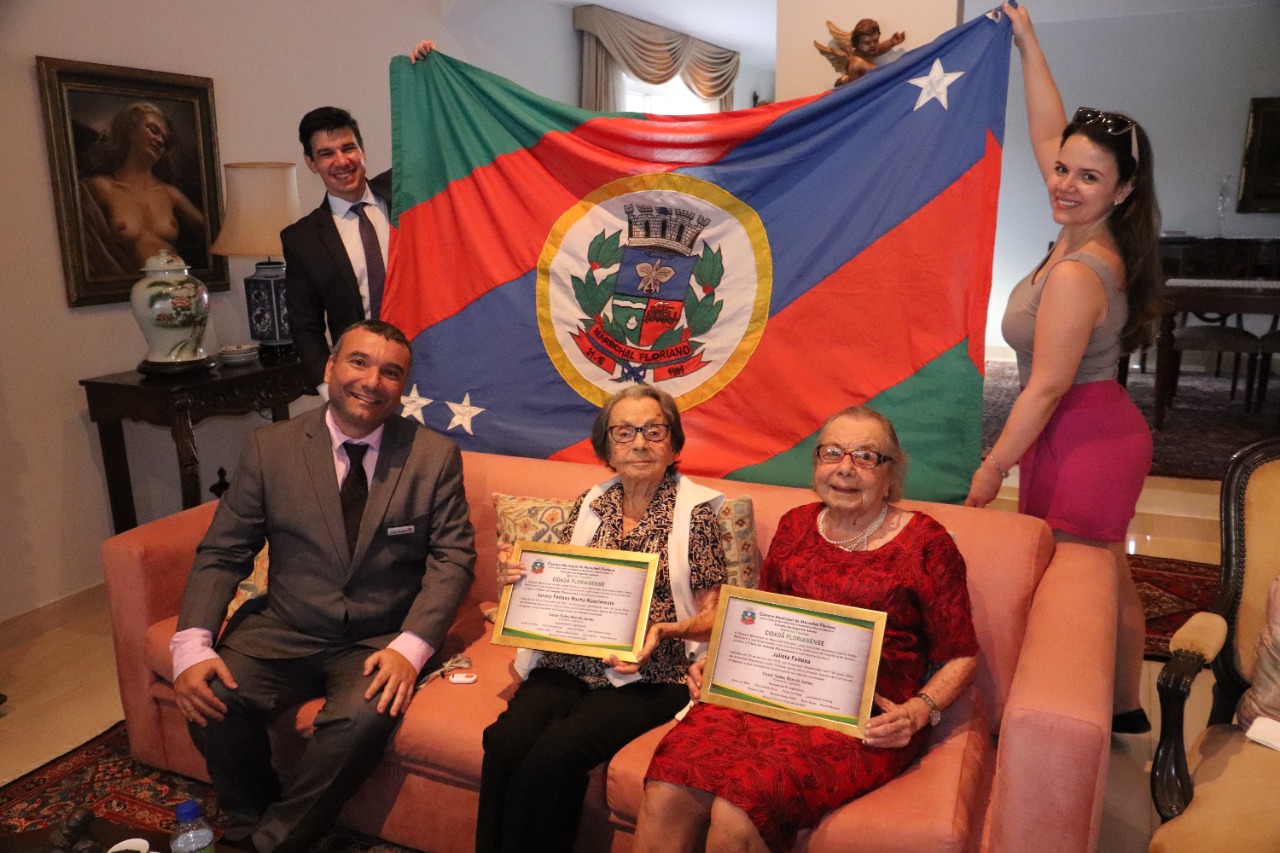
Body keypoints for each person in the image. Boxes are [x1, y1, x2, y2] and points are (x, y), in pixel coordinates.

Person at [170, 319, 476, 853]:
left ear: (402, 385)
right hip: (285, 626)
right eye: (359, 362)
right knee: (211, 693)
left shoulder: (432, 457)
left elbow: (453, 559)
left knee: (362, 720)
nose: (372, 381)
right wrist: (191, 643)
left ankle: (268, 844)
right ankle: (249, 818)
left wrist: (411, 648)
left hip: (378, 638)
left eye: (390, 372)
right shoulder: (270, 448)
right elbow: (224, 551)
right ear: (331, 367)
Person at [634, 406, 979, 853]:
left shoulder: (928, 544)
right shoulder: (795, 525)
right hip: (767, 694)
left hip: (861, 718)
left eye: (866, 456)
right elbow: (762, 621)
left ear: (892, 474)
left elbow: (961, 654)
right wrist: (718, 665)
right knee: (666, 786)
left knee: (742, 808)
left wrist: (918, 711)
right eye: (832, 453)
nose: (845, 468)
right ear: (816, 464)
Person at [964, 3, 1162, 735]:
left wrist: (993, 466)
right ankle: (1123, 705)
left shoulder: (1080, 270)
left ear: (1122, 189)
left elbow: (1046, 386)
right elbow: (1049, 130)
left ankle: (1070, 719)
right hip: (1080, 428)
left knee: (1078, 583)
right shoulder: (1083, 230)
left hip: (1085, 436)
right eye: (1062, 168)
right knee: (1103, 569)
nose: (1065, 182)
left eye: (1089, 176)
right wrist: (1028, 41)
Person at [477, 384, 727, 853]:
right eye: (625, 432)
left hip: (654, 672)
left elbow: (715, 617)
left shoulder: (694, 515)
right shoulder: (591, 504)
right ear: (607, 448)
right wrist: (519, 580)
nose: (640, 443)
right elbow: (560, 586)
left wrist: (663, 630)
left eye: (654, 431)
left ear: (673, 445)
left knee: (555, 755)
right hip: (570, 658)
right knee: (506, 740)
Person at [281, 106, 394, 393]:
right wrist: (326, 387)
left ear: (363, 151)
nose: (341, 161)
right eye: (326, 154)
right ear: (311, 163)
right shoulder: (302, 240)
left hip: (435, 362)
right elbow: (305, 325)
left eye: (348, 148)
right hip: (364, 382)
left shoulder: (406, 191)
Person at [79, 101, 206, 276]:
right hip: (123, 289)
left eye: (165, 139)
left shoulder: (170, 194)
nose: (160, 140)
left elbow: (216, 234)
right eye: (153, 130)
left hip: (177, 286)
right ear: (131, 132)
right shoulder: (101, 187)